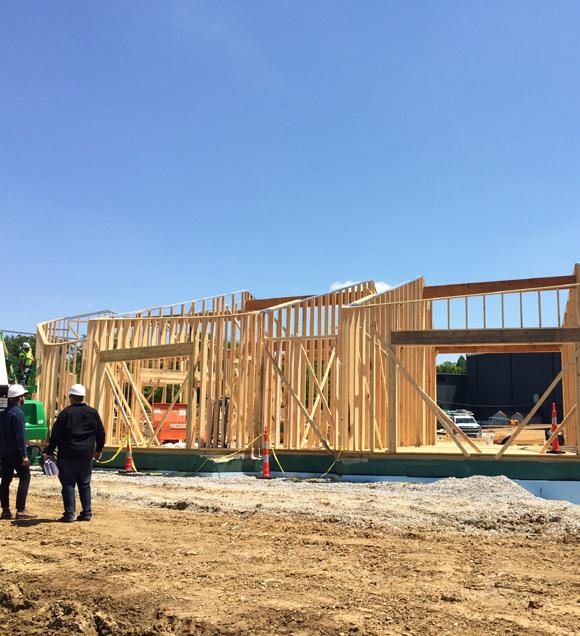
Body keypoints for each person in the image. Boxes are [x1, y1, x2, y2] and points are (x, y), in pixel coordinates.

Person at [43, 384, 105, 523]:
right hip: (86, 455)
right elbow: (101, 433)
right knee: (84, 484)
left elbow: (55, 435)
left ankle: (69, 514)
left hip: (67, 454)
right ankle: (87, 513)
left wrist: (49, 452)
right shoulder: (93, 413)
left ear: (71, 397)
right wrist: (98, 450)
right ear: (83, 397)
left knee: (68, 484)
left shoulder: (65, 413)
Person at [0, 384, 37, 520]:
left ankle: (5, 510)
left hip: (4, 453)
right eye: (23, 396)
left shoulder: (3, 414)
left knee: (5, 480)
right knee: (25, 477)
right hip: (16, 452)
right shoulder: (18, 414)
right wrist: (24, 455)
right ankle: (21, 510)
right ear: (20, 398)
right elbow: (20, 437)